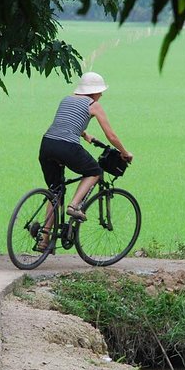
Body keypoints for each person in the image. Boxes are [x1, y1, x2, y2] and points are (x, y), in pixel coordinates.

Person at [38, 71, 132, 249]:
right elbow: (110, 135)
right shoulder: (93, 105)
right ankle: (74, 205)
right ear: (94, 92)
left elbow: (65, 123)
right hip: (67, 146)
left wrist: (84, 134)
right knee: (94, 171)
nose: (101, 95)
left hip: (47, 144)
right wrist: (124, 152)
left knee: (55, 191)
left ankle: (44, 238)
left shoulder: (66, 99)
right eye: (100, 92)